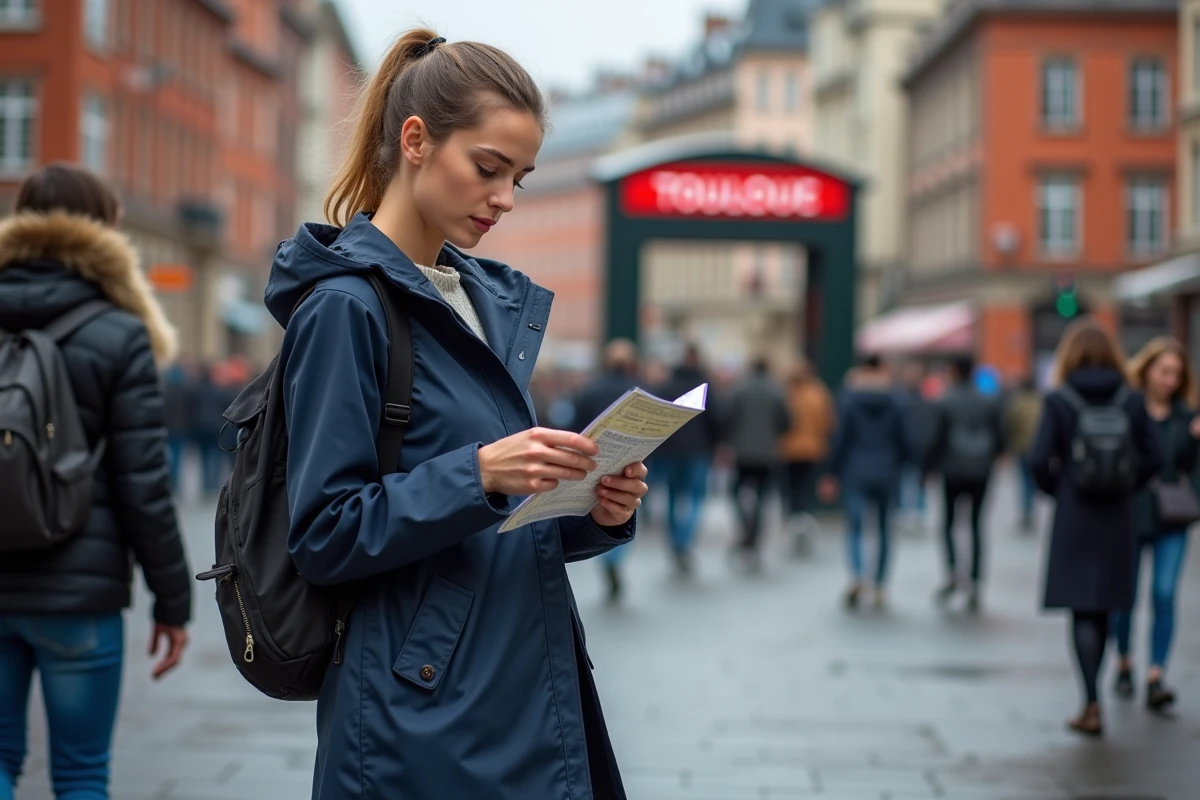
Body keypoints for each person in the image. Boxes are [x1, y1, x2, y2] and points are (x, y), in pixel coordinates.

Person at [269, 30, 647, 798]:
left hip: (523, 681)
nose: (505, 198)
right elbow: (323, 533)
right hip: (423, 714)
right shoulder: (345, 308)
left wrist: (592, 505)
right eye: (488, 168)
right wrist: (480, 473)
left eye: (521, 178)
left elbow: (492, 528)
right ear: (415, 140)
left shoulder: (483, 302)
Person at [0, 164, 192, 799]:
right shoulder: (119, 333)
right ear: (104, 233)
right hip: (80, 594)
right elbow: (144, 484)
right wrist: (172, 601)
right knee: (81, 774)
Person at [1030, 319, 1160, 737]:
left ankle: (1089, 701)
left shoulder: (1059, 399)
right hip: (1117, 514)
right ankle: (1100, 687)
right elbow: (1153, 456)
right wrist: (1127, 485)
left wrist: (1060, 489)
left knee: (1080, 607)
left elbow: (1037, 459)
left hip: (1076, 513)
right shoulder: (1132, 398)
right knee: (1106, 602)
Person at [1112, 337, 1200, 712]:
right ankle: (1125, 661)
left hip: (1171, 515)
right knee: (1125, 595)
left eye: (1176, 374)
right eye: (1164, 371)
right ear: (1146, 369)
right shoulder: (1126, 410)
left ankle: (1156, 674)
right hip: (1130, 512)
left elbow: (1194, 471)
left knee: (1164, 593)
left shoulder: (1187, 418)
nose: (1169, 380)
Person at [820, 356, 912, 608]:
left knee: (856, 527)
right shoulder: (897, 399)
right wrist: (905, 466)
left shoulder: (850, 398)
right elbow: (906, 439)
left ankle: (858, 575)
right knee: (883, 529)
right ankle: (880, 584)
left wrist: (832, 472)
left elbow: (840, 439)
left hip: (855, 470)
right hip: (887, 470)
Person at [926, 355, 1004, 612]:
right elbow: (1000, 437)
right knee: (976, 526)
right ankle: (976, 581)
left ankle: (952, 572)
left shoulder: (945, 401)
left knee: (948, 524)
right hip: (981, 470)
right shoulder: (987, 400)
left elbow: (936, 438)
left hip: (953, 469)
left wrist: (928, 468)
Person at [572, 338, 641, 601]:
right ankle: (615, 557)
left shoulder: (590, 389)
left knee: (599, 508)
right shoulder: (637, 390)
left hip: (594, 460)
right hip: (631, 464)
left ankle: (606, 558)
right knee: (624, 509)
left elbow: (576, 426)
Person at [653, 343, 720, 574]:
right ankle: (684, 540)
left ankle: (674, 540)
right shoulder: (706, 387)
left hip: (670, 449)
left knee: (672, 497)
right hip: (698, 450)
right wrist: (716, 444)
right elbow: (716, 420)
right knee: (695, 497)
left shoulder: (667, 384)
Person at [724, 357, 791, 570]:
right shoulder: (776, 391)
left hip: (743, 452)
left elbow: (728, 417)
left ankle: (746, 524)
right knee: (763, 497)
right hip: (768, 453)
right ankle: (755, 535)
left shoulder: (740, 389)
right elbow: (787, 422)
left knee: (735, 492)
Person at [779, 359, 836, 554]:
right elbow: (827, 422)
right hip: (813, 449)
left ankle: (794, 522)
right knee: (806, 488)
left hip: (787, 449)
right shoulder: (818, 393)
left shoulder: (787, 393)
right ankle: (804, 521)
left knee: (791, 489)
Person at [1004, 377, 1043, 532]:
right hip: (1037, 448)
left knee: (1024, 481)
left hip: (1021, 447)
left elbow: (1010, 425)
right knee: (1031, 481)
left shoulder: (1017, 403)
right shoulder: (1041, 402)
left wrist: (1008, 446)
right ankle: (1031, 510)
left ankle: (1027, 512)